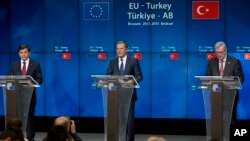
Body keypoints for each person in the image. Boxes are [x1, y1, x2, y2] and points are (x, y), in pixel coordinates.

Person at [106, 41, 143, 141]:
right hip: (115, 95)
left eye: (121, 48)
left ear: (126, 49)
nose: (119, 50)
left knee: (129, 120)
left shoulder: (133, 61)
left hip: (129, 95)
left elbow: (139, 76)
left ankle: (130, 139)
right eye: (117, 48)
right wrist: (106, 81)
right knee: (118, 120)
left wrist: (132, 81)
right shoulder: (112, 61)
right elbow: (108, 75)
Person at [9, 44, 43, 141]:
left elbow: (40, 79)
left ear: (29, 53)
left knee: (29, 118)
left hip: (30, 96)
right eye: (21, 52)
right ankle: (16, 138)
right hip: (17, 96)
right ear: (18, 54)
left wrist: (32, 84)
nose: (23, 54)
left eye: (25, 52)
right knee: (16, 119)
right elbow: (9, 78)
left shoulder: (36, 65)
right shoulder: (13, 65)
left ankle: (30, 138)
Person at [206, 41, 244, 123]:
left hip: (230, 96)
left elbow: (240, 78)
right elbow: (207, 78)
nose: (219, 54)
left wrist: (230, 85)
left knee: (229, 120)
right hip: (215, 95)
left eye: (221, 52)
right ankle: (217, 136)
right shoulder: (211, 62)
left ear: (225, 51)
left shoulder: (234, 62)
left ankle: (230, 135)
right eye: (217, 52)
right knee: (216, 121)